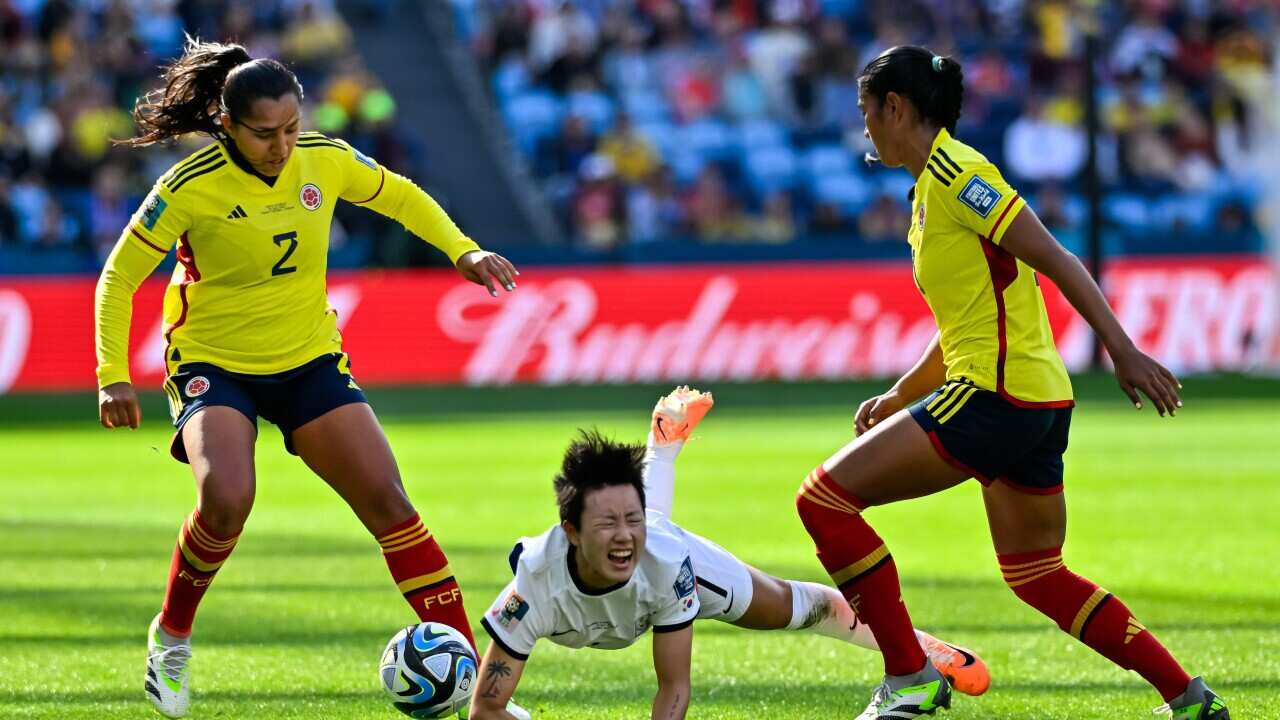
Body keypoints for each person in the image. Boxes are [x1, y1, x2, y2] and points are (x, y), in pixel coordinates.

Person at [792, 47, 1229, 720]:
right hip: (1034, 399)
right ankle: (1188, 696)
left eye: (866, 113)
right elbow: (971, 319)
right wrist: (901, 395)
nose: (865, 128)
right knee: (1036, 574)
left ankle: (908, 675)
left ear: (897, 109)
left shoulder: (959, 174)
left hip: (996, 397)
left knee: (823, 502)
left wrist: (1123, 350)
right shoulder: (928, 192)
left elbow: (1055, 256)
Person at [94, 38, 519, 719]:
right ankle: (171, 638)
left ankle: (475, 693)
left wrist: (462, 250)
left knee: (390, 503)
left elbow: (402, 197)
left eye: (292, 127)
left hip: (308, 357)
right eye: (266, 134)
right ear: (228, 125)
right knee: (227, 498)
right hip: (213, 361)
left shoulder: (324, 158)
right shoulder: (187, 186)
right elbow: (118, 278)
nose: (283, 146)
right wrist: (112, 375)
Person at [469, 387, 991, 720]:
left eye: (626, 520)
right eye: (604, 524)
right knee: (648, 525)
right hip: (632, 571)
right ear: (571, 532)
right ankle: (662, 446)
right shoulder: (534, 581)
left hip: (673, 574)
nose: (621, 535)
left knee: (803, 609)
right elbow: (486, 708)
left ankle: (914, 651)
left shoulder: (670, 565)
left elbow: (674, 689)